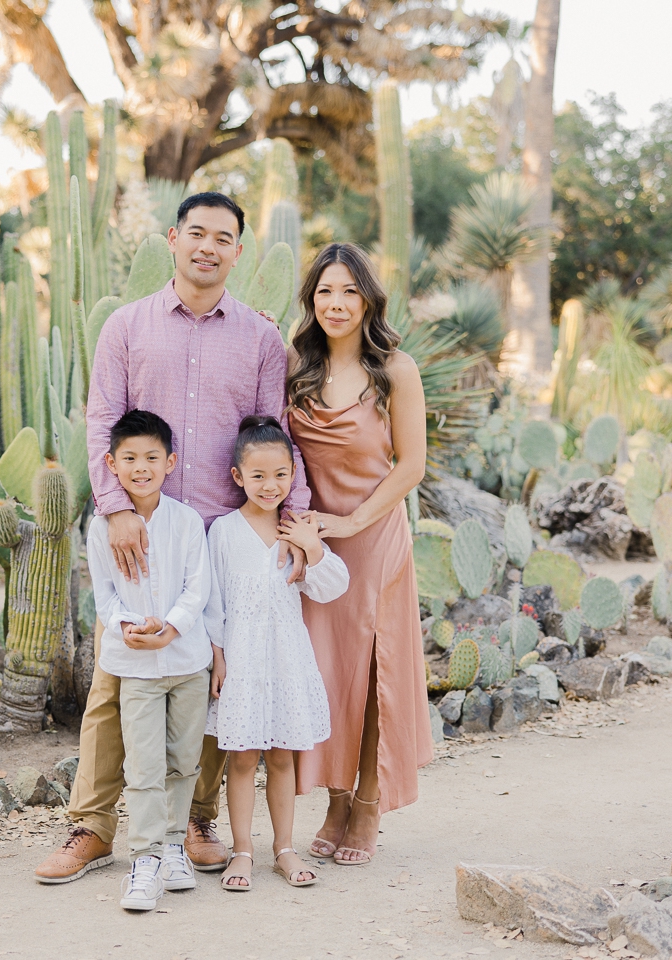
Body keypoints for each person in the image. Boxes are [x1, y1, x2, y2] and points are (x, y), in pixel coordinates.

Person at [36, 191, 312, 883]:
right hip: (139, 525)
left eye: (223, 238)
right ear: (172, 238)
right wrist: (114, 506)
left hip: (220, 534)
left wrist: (291, 521)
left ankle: (195, 820)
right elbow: (102, 420)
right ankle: (92, 826)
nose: (208, 247)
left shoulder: (258, 338)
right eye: (197, 233)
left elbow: (270, 433)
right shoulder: (126, 327)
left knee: (215, 677)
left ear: (238, 251)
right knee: (114, 675)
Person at [286, 242, 432, 866]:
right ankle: (334, 799)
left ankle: (367, 803)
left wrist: (352, 520)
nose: (336, 303)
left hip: (372, 536)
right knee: (326, 672)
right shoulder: (296, 364)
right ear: (311, 300)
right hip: (315, 543)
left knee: (373, 673)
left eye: (349, 291)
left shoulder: (395, 369)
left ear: (369, 297)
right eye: (324, 291)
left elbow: (412, 466)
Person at [204, 415, 349, 892]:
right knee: (242, 758)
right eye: (259, 475)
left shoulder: (297, 530)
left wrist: (312, 545)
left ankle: (284, 849)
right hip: (242, 662)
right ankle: (242, 851)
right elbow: (214, 600)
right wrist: (218, 657)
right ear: (238, 477)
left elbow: (332, 587)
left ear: (293, 474)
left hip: (286, 658)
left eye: (281, 474)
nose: (271, 485)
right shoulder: (223, 532)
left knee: (283, 757)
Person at [86, 410, 212, 912]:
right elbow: (105, 598)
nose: (141, 467)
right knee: (143, 765)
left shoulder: (186, 522)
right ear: (111, 464)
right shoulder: (102, 529)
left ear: (171, 462)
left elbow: (197, 587)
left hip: (186, 662)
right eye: (130, 458)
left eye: (152, 458)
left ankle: (174, 846)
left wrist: (172, 628)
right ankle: (144, 860)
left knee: (183, 762)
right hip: (136, 665)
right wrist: (130, 628)